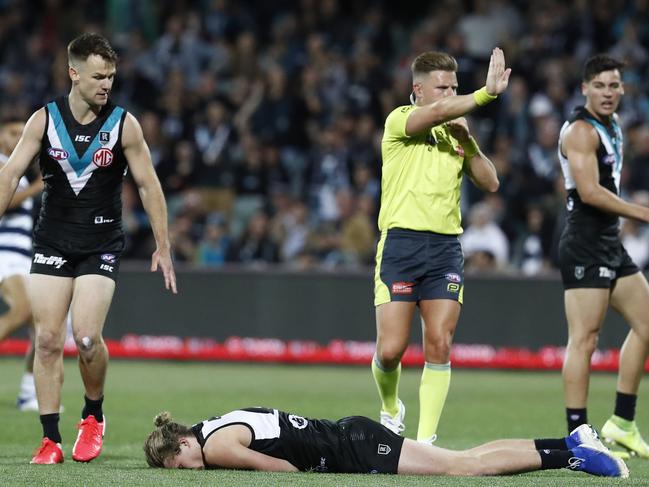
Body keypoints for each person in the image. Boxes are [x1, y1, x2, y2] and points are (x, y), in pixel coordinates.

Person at [0, 33, 177, 465]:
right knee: (44, 340)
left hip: (100, 246)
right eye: (99, 76)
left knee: (84, 337)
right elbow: (9, 175)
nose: (107, 84)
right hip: (52, 243)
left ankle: (93, 416)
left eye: (112, 76)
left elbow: (149, 185)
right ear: (73, 73)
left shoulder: (123, 124)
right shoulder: (43, 121)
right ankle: (49, 440)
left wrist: (163, 245)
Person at [372, 48, 509, 443]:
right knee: (391, 350)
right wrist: (485, 94)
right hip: (400, 244)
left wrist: (469, 143)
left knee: (440, 342)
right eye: (441, 87)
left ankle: (424, 442)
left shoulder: (456, 130)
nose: (449, 94)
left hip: (445, 247)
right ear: (418, 89)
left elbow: (491, 182)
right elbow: (432, 115)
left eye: (454, 87)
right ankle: (391, 406)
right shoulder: (400, 119)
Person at [557, 54, 649, 457]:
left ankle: (622, 423)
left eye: (614, 86)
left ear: (623, 89)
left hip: (609, 241)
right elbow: (590, 192)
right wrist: (643, 212)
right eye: (599, 86)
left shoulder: (610, 126)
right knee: (585, 339)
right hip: (584, 242)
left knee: (647, 325)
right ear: (585, 89)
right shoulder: (580, 131)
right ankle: (579, 436)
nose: (608, 93)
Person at [143, 406, 628, 478]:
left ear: (181, 443)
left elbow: (285, 473)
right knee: (467, 459)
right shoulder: (213, 425)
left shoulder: (219, 445)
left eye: (179, 464)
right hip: (350, 436)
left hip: (353, 445)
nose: (187, 470)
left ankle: (572, 457)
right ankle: (567, 439)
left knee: (466, 468)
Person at [0, 116, 44, 411]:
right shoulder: (3, 163)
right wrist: (39, 186)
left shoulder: (20, 173)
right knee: (23, 311)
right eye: (12, 132)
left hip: (21, 255)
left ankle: (29, 392)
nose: (18, 138)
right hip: (4, 254)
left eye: (22, 133)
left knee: (44, 326)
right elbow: (5, 201)